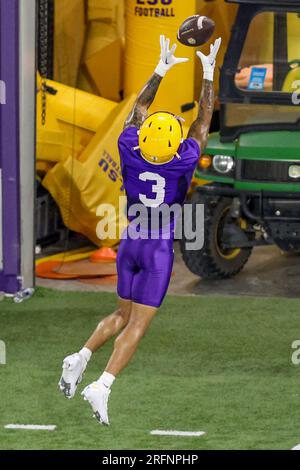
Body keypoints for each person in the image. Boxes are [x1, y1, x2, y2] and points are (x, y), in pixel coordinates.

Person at [59, 34, 221, 426]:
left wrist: (161, 68)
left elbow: (139, 108)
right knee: (138, 324)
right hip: (157, 250)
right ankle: (103, 385)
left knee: (119, 313)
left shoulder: (129, 144)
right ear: (175, 144)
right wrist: (209, 72)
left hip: (129, 242)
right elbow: (203, 120)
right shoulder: (183, 160)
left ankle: (79, 356)